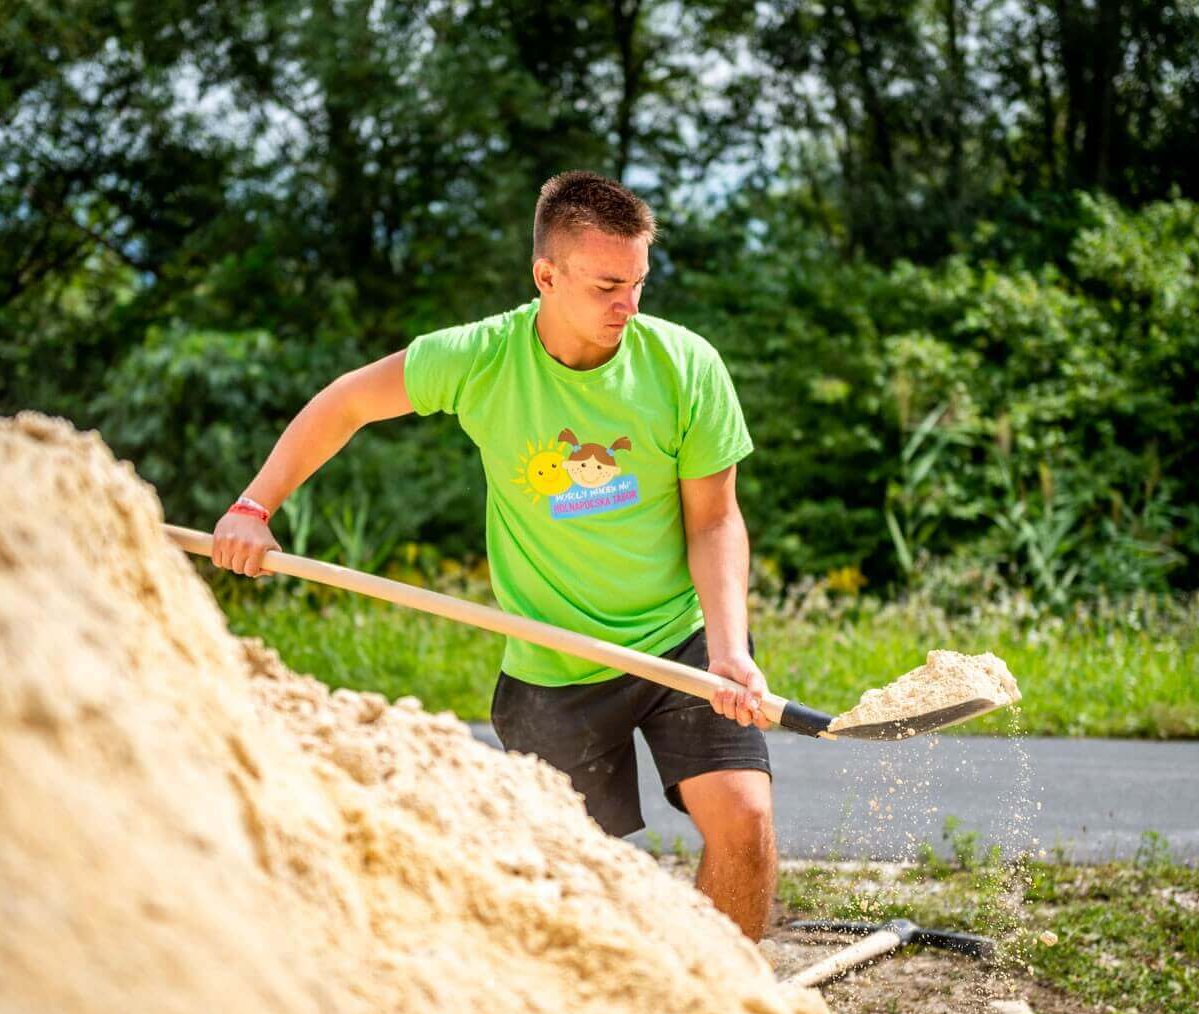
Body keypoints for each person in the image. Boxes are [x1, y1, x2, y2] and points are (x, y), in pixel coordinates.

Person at [210, 170, 777, 939]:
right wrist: (252, 509)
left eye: (639, 282)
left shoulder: (685, 365)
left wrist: (729, 648)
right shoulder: (481, 357)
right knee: (572, 892)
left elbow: (714, 522)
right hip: (553, 665)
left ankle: (730, 1002)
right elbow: (347, 403)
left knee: (745, 820)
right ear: (547, 276)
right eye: (608, 286)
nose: (630, 305)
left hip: (680, 642)